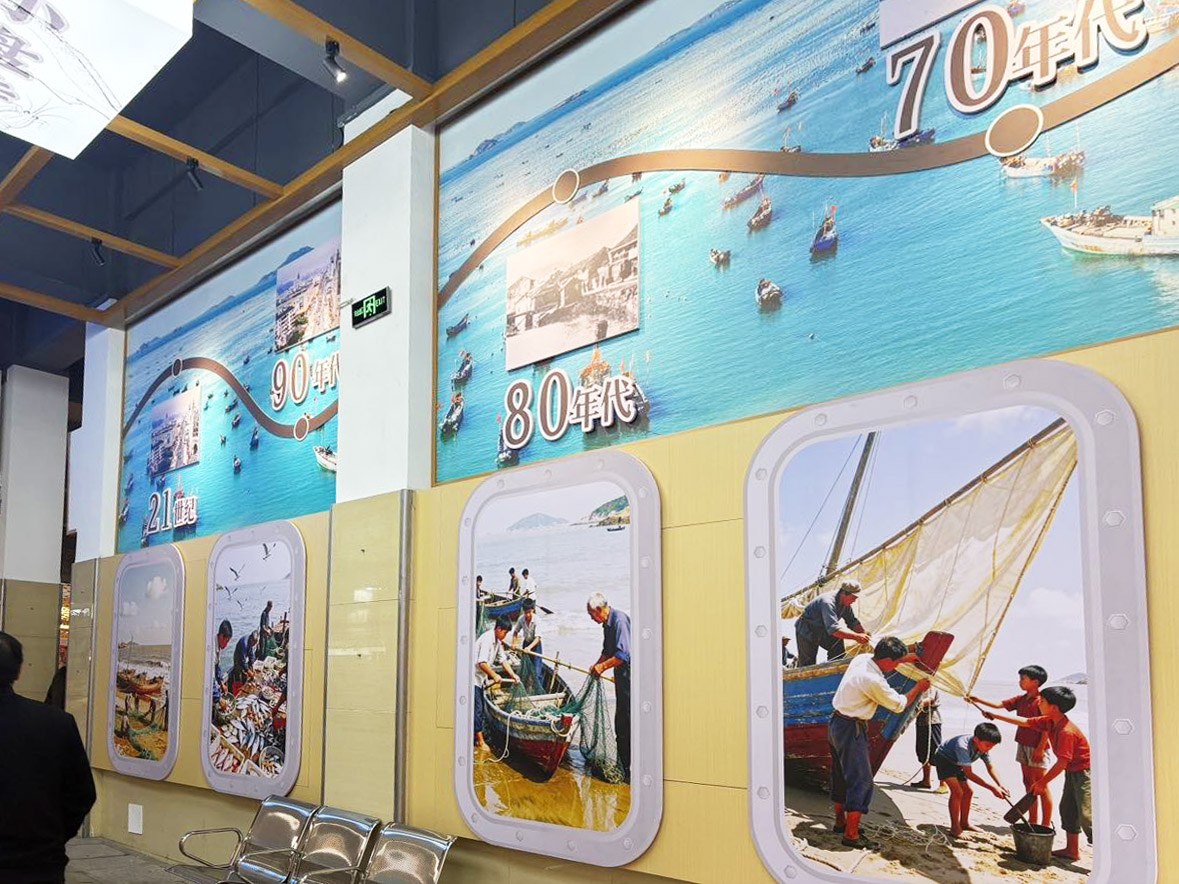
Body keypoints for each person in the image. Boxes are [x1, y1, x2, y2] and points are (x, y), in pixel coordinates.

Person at [0, 632, 96, 884]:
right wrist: (52, 837)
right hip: (38, 864)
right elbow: (82, 794)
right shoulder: (56, 722)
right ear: (19, 670)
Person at [828, 636, 929, 849]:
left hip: (836, 723)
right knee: (861, 781)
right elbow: (899, 704)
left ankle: (840, 823)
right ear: (887, 660)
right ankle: (851, 835)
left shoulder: (863, 659)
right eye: (896, 662)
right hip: (852, 729)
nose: (897, 666)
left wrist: (907, 657)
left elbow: (887, 660)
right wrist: (918, 688)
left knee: (840, 774)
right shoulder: (872, 680)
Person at [981, 685, 1092, 862]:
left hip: (1084, 773)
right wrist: (995, 715)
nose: (1039, 702)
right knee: (1068, 810)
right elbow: (1025, 722)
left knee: (1087, 816)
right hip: (1072, 772)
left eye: (1043, 701)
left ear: (1054, 707)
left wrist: (1042, 782)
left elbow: (1061, 763)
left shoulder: (1066, 731)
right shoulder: (1050, 721)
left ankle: (1108, 852)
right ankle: (1072, 850)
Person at [968, 664, 1052, 826]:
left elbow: (1047, 727)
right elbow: (999, 705)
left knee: (1041, 785)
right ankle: (1033, 820)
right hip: (1023, 743)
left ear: (1035, 682)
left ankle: (1046, 824)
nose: (1020, 681)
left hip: (1038, 746)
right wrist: (977, 699)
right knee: (1028, 783)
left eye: (1023, 679)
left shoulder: (1042, 701)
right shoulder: (1022, 699)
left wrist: (1040, 748)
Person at [931, 723, 1010, 837]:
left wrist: (1000, 785)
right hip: (945, 759)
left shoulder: (983, 747)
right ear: (976, 740)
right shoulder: (962, 747)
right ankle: (955, 827)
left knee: (968, 792)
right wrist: (992, 788)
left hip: (959, 763)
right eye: (988, 746)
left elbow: (990, 767)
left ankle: (964, 823)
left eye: (992, 747)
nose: (989, 749)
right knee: (957, 792)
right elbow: (969, 773)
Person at [587, 592, 632, 781]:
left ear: (599, 610)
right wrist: (597, 665)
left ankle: (628, 769)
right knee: (620, 721)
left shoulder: (619, 620)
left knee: (627, 720)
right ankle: (624, 764)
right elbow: (607, 651)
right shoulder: (607, 624)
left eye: (591, 614)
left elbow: (623, 655)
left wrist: (603, 667)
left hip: (631, 677)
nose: (591, 618)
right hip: (621, 677)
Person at [794, 579, 871, 667]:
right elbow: (834, 630)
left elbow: (852, 622)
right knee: (807, 663)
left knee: (838, 646)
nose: (854, 600)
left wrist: (863, 634)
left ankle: (835, 668)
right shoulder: (828, 602)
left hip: (823, 630)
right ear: (844, 594)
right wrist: (857, 637)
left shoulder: (845, 605)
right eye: (853, 598)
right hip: (806, 630)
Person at [473, 615, 519, 750]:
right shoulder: (487, 639)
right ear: (498, 629)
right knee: (478, 710)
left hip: (481, 678)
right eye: (505, 632)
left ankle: (476, 734)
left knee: (479, 708)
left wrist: (513, 675)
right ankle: (480, 741)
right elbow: (481, 663)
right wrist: (494, 675)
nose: (505, 636)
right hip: (473, 677)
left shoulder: (498, 641)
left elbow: (503, 660)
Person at [915, 686, 943, 790]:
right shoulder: (920, 685)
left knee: (936, 752)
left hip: (932, 721)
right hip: (921, 720)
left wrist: (917, 704)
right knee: (923, 751)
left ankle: (943, 783)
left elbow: (931, 700)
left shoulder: (932, 685)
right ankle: (926, 780)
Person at [511, 598, 544, 686]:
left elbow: (538, 638)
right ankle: (525, 686)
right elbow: (515, 632)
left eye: (529, 612)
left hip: (536, 646)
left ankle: (539, 689)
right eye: (526, 612)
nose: (527, 615)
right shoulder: (521, 619)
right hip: (526, 644)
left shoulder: (537, 620)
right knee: (525, 669)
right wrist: (514, 643)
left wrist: (529, 648)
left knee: (537, 672)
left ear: (533, 610)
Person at [212, 619, 233, 723]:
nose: (227, 645)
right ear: (221, 636)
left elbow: (217, 667)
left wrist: (221, 682)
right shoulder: (211, 649)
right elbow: (208, 679)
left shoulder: (218, 646)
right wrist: (219, 699)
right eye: (227, 641)